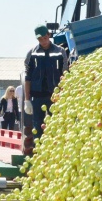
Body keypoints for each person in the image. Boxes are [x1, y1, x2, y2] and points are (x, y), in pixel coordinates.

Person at [24, 25, 70, 155]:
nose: (43, 41)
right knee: (37, 126)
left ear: (49, 35)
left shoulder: (60, 52)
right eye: (40, 39)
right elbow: (28, 78)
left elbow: (65, 73)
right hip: (37, 96)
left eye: (45, 38)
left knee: (54, 125)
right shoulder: (32, 53)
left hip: (54, 96)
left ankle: (54, 152)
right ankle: (38, 153)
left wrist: (63, 94)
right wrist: (27, 100)